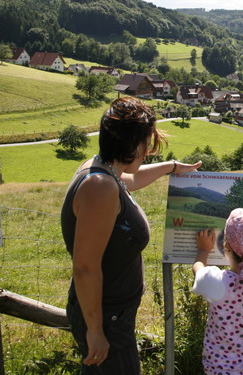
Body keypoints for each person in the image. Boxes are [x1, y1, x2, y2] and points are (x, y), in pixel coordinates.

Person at [61, 97, 201, 373]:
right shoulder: (100, 187)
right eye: (146, 144)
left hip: (111, 313)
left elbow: (132, 179)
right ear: (131, 144)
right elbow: (85, 267)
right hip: (106, 316)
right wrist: (95, 330)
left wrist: (172, 167)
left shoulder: (101, 170)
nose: (148, 152)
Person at [192, 208, 243, 374]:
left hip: (219, 368)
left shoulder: (217, 281)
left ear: (227, 244)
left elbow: (198, 270)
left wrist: (203, 251)